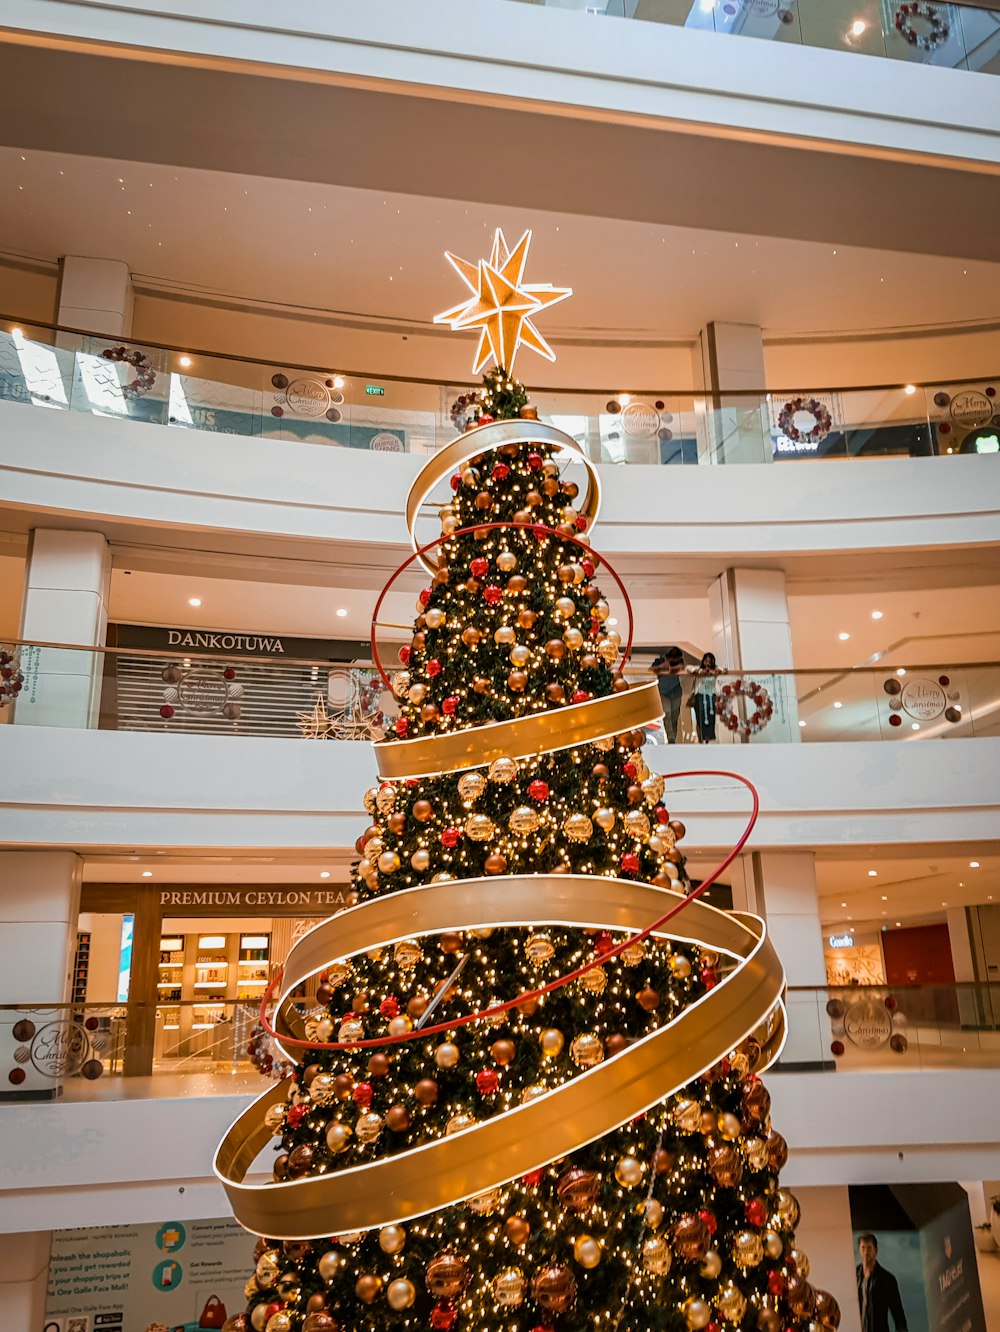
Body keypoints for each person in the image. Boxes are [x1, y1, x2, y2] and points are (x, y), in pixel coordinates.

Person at [856, 1233, 908, 1332]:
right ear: (859, 1250)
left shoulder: (887, 1279)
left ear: (876, 1250)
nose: (866, 1252)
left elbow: (898, 1314)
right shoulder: (854, 1277)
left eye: (869, 1248)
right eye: (863, 1248)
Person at [650, 646, 685, 743]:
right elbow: (651, 669)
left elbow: (681, 668)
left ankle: (674, 736)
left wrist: (670, 668)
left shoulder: (679, 663)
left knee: (674, 717)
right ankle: (671, 738)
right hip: (663, 692)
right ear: (670, 657)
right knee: (667, 715)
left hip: (676, 692)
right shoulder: (659, 661)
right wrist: (661, 667)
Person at [689, 651, 723, 743]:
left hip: (711, 695)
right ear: (703, 661)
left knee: (710, 717)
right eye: (706, 661)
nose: (707, 663)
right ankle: (700, 739)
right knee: (700, 717)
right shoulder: (699, 668)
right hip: (699, 695)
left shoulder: (715, 669)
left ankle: (707, 738)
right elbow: (689, 668)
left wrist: (714, 671)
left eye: (709, 661)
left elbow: (723, 670)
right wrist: (700, 671)